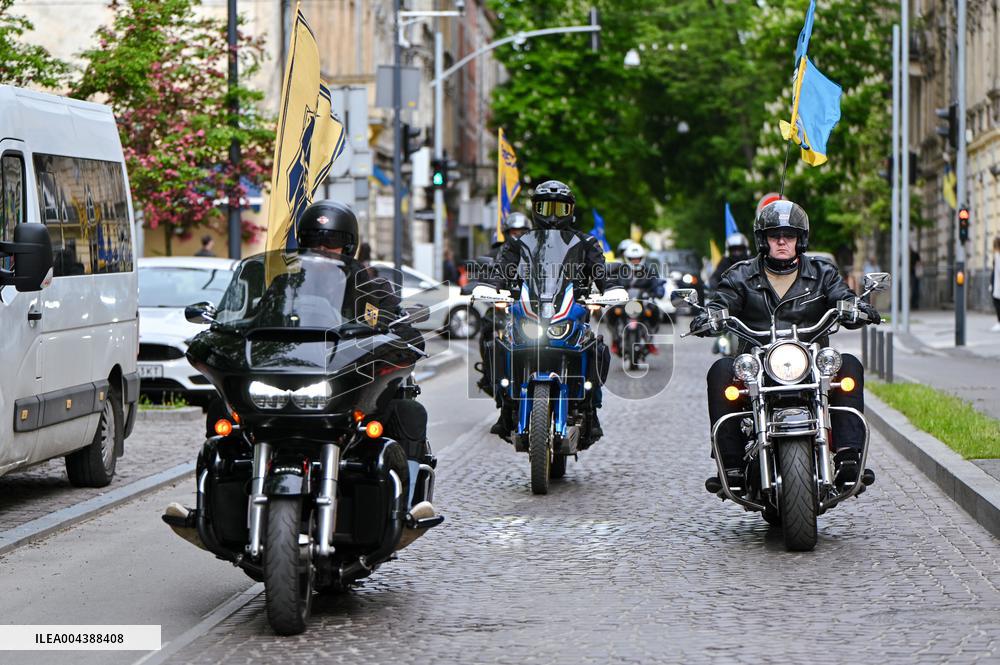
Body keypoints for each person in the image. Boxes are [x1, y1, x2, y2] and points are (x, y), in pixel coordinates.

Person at [167, 200, 435, 549]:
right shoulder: (282, 284)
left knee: (409, 413)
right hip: (288, 381)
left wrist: (396, 335)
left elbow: (402, 329)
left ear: (348, 245)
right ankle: (211, 508)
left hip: (347, 391)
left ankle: (409, 510)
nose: (323, 250)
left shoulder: (372, 288)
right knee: (223, 411)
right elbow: (246, 319)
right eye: (314, 241)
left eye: (331, 242)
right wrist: (223, 331)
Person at [690, 199, 881, 490]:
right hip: (757, 362)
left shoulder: (822, 273)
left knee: (849, 366)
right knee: (720, 371)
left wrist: (855, 307)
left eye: (788, 235)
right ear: (763, 240)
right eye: (774, 235)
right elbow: (722, 300)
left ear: (799, 239)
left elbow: (841, 294)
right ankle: (731, 465)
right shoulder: (740, 275)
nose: (781, 241)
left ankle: (848, 456)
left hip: (810, 361)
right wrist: (709, 316)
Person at [488, 180, 612, 441]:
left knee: (596, 347)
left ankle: (591, 407)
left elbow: (600, 271)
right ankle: (506, 406)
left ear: (570, 210)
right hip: (530, 311)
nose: (553, 215)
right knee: (500, 344)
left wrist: (610, 289)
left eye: (560, 208)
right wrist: (492, 288)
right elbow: (502, 270)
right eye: (545, 207)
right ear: (536, 209)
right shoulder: (519, 243)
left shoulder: (585, 242)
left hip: (570, 312)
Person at [475, 212, 533, 396]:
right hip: (504, 305)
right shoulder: (497, 253)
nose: (518, 236)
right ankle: (489, 372)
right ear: (507, 233)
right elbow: (484, 274)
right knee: (488, 327)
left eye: (522, 232)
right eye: (514, 232)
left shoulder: (537, 252)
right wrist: (483, 284)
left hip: (531, 306)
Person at [607, 243, 664, 356]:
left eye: (638, 259)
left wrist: (658, 292)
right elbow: (611, 283)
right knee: (611, 312)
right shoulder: (619, 271)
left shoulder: (650, 271)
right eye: (632, 259)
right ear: (627, 259)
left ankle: (650, 339)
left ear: (642, 258)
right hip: (623, 302)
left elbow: (657, 284)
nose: (635, 261)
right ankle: (615, 338)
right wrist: (608, 292)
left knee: (655, 311)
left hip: (643, 302)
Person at [991, 236, 1000, 332]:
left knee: (997, 302)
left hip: (998, 282)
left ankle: (999, 322)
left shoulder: (997, 255)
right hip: (996, 281)